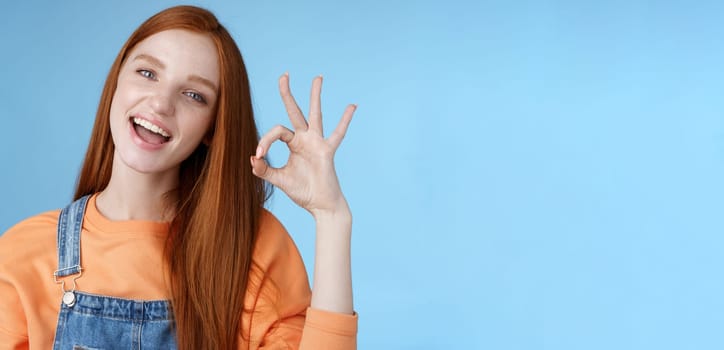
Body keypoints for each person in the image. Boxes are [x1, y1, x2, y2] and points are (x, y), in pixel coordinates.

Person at [0, 5, 357, 350]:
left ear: (211, 128)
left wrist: (331, 217)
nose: (161, 103)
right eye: (148, 73)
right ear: (116, 81)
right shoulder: (24, 254)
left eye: (193, 95)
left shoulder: (254, 250)